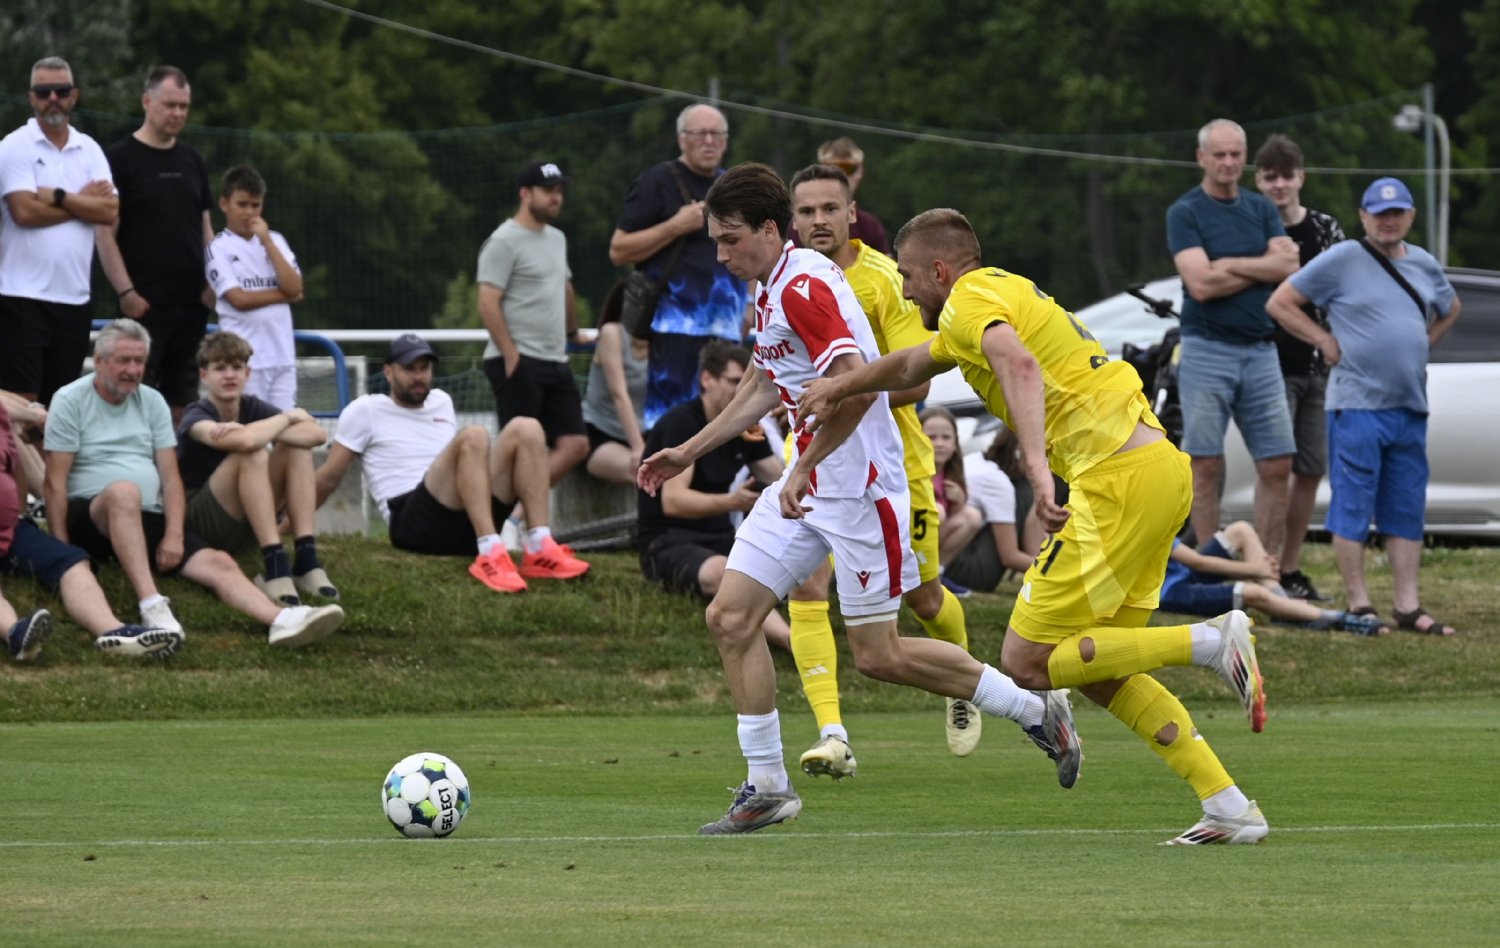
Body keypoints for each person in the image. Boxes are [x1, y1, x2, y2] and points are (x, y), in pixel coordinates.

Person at [800, 207, 1272, 845]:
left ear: (939, 271)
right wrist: (841, 387)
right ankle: (1228, 806)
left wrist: (1036, 468)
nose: (906, 292)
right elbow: (910, 365)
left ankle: (1210, 642)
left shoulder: (968, 301)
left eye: (909, 277)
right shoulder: (999, 291)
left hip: (1114, 478)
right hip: (1154, 468)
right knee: (1099, 668)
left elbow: (1018, 366)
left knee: (1026, 661)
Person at [639, 165, 1079, 836]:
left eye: (730, 240)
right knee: (730, 617)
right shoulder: (771, 285)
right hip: (811, 484)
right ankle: (767, 786)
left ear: (768, 230)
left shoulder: (806, 289)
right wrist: (688, 450)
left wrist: (803, 466)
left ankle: (1034, 710)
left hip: (860, 490)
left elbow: (857, 387)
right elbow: (764, 381)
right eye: (716, 241)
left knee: (879, 656)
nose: (722, 255)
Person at [785, 164, 985, 766]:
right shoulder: (783, 279)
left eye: (830, 208)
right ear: (791, 220)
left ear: (852, 213)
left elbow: (916, 380)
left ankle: (965, 687)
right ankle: (832, 733)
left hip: (891, 467)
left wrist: (839, 393)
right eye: (806, 211)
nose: (818, 220)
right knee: (806, 585)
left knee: (924, 600)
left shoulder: (884, 280)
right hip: (816, 461)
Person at [42, 320, 345, 650]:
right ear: (99, 361)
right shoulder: (69, 399)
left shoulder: (152, 401)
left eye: (139, 361)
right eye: (123, 361)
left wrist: (174, 534)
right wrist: (62, 549)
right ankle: (152, 605)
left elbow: (170, 476)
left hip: (147, 512)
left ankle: (282, 619)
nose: (133, 370)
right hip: (91, 512)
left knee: (220, 561)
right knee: (123, 491)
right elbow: (55, 482)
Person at [1266, 177, 1461, 637]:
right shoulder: (1343, 258)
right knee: (1352, 504)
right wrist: (1323, 340)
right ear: (1363, 216)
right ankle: (1360, 603)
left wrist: (1422, 344)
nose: (1388, 221)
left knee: (1406, 506)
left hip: (1409, 405)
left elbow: (1450, 308)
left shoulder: (1424, 263)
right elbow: (1282, 302)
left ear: (1410, 217)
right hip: (1355, 405)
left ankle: (1408, 607)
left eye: (1396, 213)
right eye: (1379, 213)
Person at [315, 334, 590, 595]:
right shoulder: (365, 410)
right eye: (409, 369)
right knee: (474, 435)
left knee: (527, 427)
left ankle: (539, 544)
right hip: (413, 524)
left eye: (424, 368)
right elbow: (329, 477)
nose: (418, 376)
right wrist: (296, 526)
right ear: (388, 372)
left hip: (463, 519)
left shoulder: (441, 401)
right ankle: (490, 551)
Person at [1168, 118, 1299, 552]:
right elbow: (1201, 286)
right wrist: (1261, 264)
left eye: (1235, 154)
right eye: (1219, 154)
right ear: (1201, 157)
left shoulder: (1261, 209)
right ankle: (1211, 569)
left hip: (1261, 350)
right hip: (1206, 348)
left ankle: (1267, 567)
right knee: (1205, 464)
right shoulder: (1185, 212)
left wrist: (1228, 264)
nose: (1228, 162)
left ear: (1245, 157)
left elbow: (1289, 266)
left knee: (1278, 463)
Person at [0, 392, 181, 659]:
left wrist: (18, 514)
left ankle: (113, 631)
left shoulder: (4, 424)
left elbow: (16, 475)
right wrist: (35, 414)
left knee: (72, 562)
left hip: (11, 529)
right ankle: (15, 633)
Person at [637, 340, 789, 651]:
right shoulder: (682, 423)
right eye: (734, 381)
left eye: (746, 383)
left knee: (791, 564)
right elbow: (674, 503)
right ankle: (794, 645)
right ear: (707, 379)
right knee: (724, 571)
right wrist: (733, 502)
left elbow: (780, 478)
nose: (742, 391)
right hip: (668, 541)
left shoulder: (745, 428)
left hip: (722, 538)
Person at [609, 103, 751, 430]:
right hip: (674, 329)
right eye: (700, 133)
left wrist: (749, 304)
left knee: (726, 425)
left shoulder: (733, 186)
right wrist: (675, 226)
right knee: (671, 422)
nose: (709, 141)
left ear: (726, 141)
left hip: (728, 331)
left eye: (717, 134)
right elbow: (618, 250)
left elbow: (751, 249)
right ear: (681, 139)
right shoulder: (657, 181)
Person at [176, 331, 338, 607]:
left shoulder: (252, 407)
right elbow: (247, 442)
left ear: (248, 373)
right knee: (252, 455)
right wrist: (287, 418)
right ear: (204, 375)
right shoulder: (196, 414)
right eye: (220, 368)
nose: (230, 375)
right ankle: (274, 563)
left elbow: (317, 435)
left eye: (237, 367)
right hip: (203, 524)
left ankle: (306, 559)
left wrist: (264, 429)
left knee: (296, 448)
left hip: (247, 522)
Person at [1254, 134, 1346, 602]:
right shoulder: (1251, 225)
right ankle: (1263, 567)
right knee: (1275, 466)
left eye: (1287, 176)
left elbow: (1344, 284)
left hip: (1318, 364)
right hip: (1268, 362)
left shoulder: (1325, 229)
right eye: (1270, 177)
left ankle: (1290, 566)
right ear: (1259, 181)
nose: (1279, 185)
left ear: (1301, 178)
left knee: (1310, 469)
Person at [95, 65, 215, 425]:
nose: (178, 113)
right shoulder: (119, 159)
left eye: (184, 106)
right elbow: (104, 233)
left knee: (185, 401)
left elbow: (206, 229)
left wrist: (215, 281)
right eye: (170, 105)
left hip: (192, 305)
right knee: (132, 393)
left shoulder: (192, 159)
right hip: (143, 307)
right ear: (147, 102)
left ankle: (180, 462)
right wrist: (126, 292)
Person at [0, 56, 118, 406]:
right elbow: (24, 212)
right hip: (21, 296)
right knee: (22, 405)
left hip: (73, 298)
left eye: (61, 90)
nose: (53, 98)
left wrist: (60, 196)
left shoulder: (90, 149)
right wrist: (83, 202)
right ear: (31, 97)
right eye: (43, 91)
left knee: (61, 405)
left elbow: (109, 211)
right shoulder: (14, 146)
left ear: (74, 95)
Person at [478, 160, 589, 485]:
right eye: (548, 190)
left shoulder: (557, 238)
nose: (556, 197)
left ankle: (518, 509)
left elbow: (564, 288)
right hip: (519, 360)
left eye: (560, 191)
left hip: (555, 359)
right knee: (520, 449)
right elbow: (487, 302)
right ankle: (498, 511)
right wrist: (511, 355)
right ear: (525, 194)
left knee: (576, 444)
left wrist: (573, 332)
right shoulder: (503, 240)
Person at [1161, 520, 1385, 635]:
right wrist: (1256, 570)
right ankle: (1343, 620)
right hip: (1168, 593)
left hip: (1181, 573)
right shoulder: (1144, 519)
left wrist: (1259, 569)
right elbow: (1198, 562)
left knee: (1241, 530)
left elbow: (1193, 562)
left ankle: (1285, 609)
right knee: (1253, 592)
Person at [206, 165, 303, 409]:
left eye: (255, 205)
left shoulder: (276, 240)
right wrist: (284, 296)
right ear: (224, 204)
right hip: (244, 361)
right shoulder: (218, 248)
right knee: (249, 427)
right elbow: (238, 299)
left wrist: (267, 242)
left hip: (282, 356)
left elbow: (294, 286)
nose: (249, 212)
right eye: (242, 204)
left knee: (284, 425)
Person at [940, 423, 1041, 595]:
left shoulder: (977, 459)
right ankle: (1042, 572)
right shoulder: (998, 482)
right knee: (1028, 489)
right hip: (966, 572)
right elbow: (1010, 557)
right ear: (1019, 451)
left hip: (946, 558)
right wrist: (1051, 570)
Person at [579, 302, 647, 486]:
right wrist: (638, 447)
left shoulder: (663, 339)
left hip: (643, 432)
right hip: (599, 432)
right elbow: (619, 394)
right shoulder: (612, 333)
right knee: (647, 474)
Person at [810, 137, 889, 254]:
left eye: (849, 169)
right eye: (833, 169)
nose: (841, 176)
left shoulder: (871, 226)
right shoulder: (801, 224)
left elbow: (886, 264)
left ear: (860, 172)